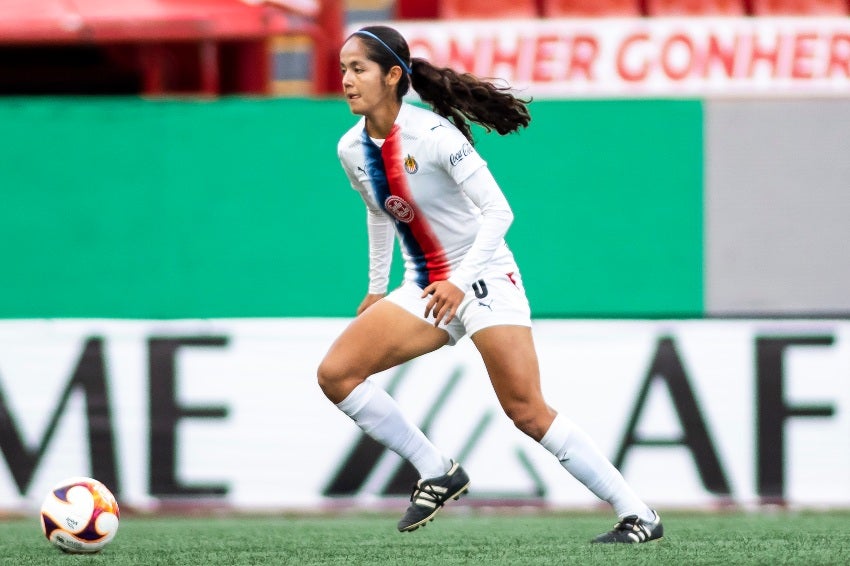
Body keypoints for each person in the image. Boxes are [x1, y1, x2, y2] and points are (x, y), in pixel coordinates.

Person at [316, 24, 663, 544]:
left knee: (526, 410)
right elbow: (377, 211)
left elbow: (500, 213)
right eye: (343, 69)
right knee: (336, 374)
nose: (346, 80)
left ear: (392, 76)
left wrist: (459, 281)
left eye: (358, 68)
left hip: (483, 277)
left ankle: (638, 514)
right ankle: (437, 469)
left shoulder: (434, 136)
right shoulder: (350, 148)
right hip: (428, 286)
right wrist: (375, 286)